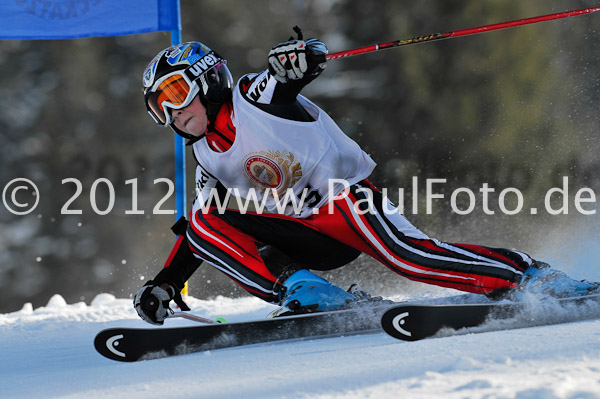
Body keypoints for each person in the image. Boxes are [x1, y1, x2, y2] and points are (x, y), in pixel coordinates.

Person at [134, 28, 598, 325]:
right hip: (306, 231)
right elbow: (201, 235)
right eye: (160, 104)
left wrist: (302, 57)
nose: (172, 110)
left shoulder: (252, 95)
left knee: (412, 259)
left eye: (176, 92)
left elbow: (290, 74)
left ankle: (530, 276)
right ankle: (302, 289)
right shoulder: (207, 156)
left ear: (207, 78)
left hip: (347, 202)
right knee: (203, 219)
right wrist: (167, 283)